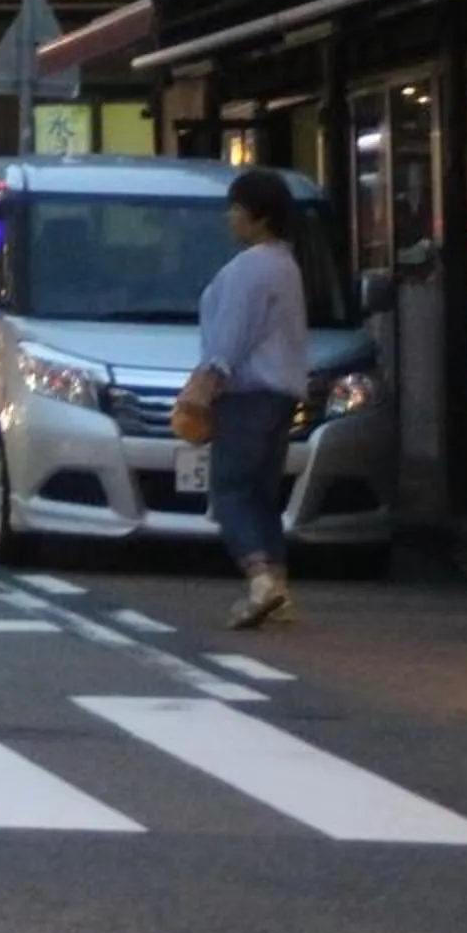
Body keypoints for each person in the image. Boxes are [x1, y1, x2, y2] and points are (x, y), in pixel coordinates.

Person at [197, 166, 311, 629]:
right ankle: (278, 588)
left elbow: (231, 333)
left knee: (230, 491)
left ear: (259, 217)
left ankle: (260, 577)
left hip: (246, 393)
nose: (230, 217)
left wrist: (207, 383)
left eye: (237, 209)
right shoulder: (286, 264)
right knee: (262, 493)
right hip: (283, 392)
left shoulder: (249, 267)